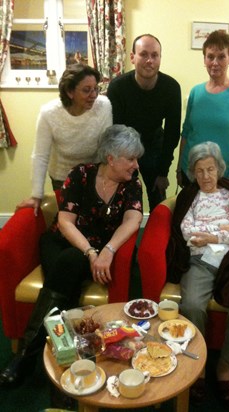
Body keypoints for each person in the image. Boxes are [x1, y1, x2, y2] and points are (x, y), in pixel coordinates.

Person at [0, 124, 144, 387]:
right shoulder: (81, 175)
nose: (136, 164)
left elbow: (133, 221)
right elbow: (66, 223)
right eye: (131, 158)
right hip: (62, 241)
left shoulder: (131, 182)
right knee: (71, 263)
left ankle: (30, 356)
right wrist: (90, 252)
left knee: (69, 269)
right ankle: (69, 358)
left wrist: (108, 250)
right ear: (111, 158)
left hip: (96, 249)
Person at [167, 142, 229, 408]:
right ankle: (198, 366)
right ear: (193, 173)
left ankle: (225, 368)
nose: (205, 176)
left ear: (219, 169)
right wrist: (224, 226)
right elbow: (186, 231)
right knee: (191, 305)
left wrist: (214, 235)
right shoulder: (191, 197)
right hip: (200, 261)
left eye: (210, 169)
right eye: (199, 171)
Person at [17, 63, 113, 216]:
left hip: (93, 174)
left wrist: (106, 181)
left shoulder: (104, 106)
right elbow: (40, 156)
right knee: (67, 220)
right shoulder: (49, 113)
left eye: (96, 88)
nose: (94, 95)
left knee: (90, 219)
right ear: (70, 92)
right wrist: (37, 195)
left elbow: (106, 147)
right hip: (62, 177)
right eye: (86, 90)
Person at [107, 33, 182, 211]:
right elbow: (115, 133)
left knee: (159, 203)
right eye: (144, 54)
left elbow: (172, 133)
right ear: (133, 57)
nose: (149, 60)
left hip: (155, 147)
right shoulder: (117, 87)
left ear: (160, 58)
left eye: (154, 55)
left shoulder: (171, 88)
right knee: (125, 203)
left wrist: (163, 172)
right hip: (124, 148)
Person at [177, 30, 229, 188]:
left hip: (223, 176)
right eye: (210, 56)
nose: (215, 62)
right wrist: (180, 167)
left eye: (221, 56)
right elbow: (186, 133)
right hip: (192, 173)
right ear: (204, 59)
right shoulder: (195, 92)